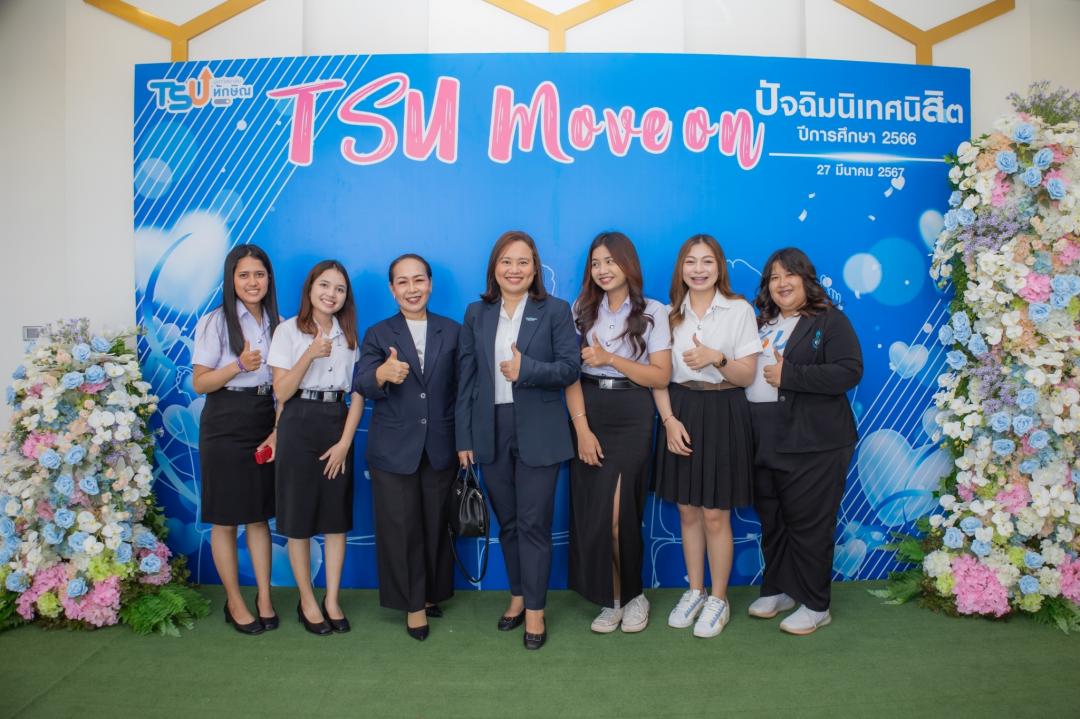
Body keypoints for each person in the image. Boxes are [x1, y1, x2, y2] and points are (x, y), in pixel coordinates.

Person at [455, 230, 579, 651]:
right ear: (494, 267)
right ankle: (518, 596)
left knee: (533, 524)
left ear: (535, 268)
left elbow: (569, 369)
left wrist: (527, 369)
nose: (514, 269)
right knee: (507, 523)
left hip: (540, 431)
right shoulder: (476, 313)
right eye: (506, 261)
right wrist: (464, 436)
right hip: (489, 430)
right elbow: (467, 379)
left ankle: (536, 611)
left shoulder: (555, 310)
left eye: (523, 262)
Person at [745, 247, 862, 635]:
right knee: (773, 520)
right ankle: (778, 589)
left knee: (810, 524)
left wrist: (791, 376)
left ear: (805, 279)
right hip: (764, 438)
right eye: (774, 277)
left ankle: (815, 604)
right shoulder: (761, 323)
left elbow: (849, 371)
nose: (781, 283)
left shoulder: (829, 320)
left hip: (814, 441)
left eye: (789, 275)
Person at [652, 234, 761, 638]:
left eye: (707, 262)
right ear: (681, 268)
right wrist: (668, 421)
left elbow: (746, 375)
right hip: (681, 409)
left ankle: (719, 598)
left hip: (724, 409)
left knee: (716, 513)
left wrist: (717, 358)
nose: (698, 270)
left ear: (720, 267)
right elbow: (659, 377)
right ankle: (694, 591)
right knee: (686, 509)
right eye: (691, 262)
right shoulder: (668, 315)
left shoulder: (738, 310)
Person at [565, 231, 671, 634]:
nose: (602, 270)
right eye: (596, 263)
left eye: (610, 261)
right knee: (595, 515)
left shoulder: (653, 311)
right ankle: (612, 598)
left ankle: (634, 594)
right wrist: (581, 429)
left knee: (619, 515)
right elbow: (570, 374)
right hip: (589, 408)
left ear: (628, 264)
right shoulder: (580, 309)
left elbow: (660, 375)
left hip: (632, 412)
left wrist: (609, 357)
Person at [353, 253, 460, 642]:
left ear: (430, 284)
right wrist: (382, 373)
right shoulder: (378, 333)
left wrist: (465, 442)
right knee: (401, 528)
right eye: (403, 282)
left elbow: (464, 390)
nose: (412, 289)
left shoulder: (453, 331)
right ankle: (413, 605)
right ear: (392, 289)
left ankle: (430, 594)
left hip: (441, 447)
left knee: (435, 526)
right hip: (393, 450)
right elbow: (362, 381)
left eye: (418, 280)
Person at [268, 259, 363, 636]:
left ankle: (332, 599)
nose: (331, 294)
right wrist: (309, 354)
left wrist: (344, 443)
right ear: (310, 288)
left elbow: (357, 395)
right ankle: (307, 599)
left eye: (339, 289)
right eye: (324, 285)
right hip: (298, 421)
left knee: (335, 519)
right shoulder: (288, 330)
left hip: (336, 420)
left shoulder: (349, 336)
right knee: (298, 518)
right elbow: (281, 393)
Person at [192, 244, 281, 635]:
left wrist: (278, 429)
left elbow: (283, 386)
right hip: (224, 420)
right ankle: (234, 601)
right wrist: (238, 365)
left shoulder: (280, 324)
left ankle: (264, 597)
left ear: (269, 279)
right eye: (244, 275)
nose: (252, 282)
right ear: (231, 280)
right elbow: (200, 383)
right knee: (226, 519)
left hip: (264, 417)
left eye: (259, 274)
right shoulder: (215, 322)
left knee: (259, 516)